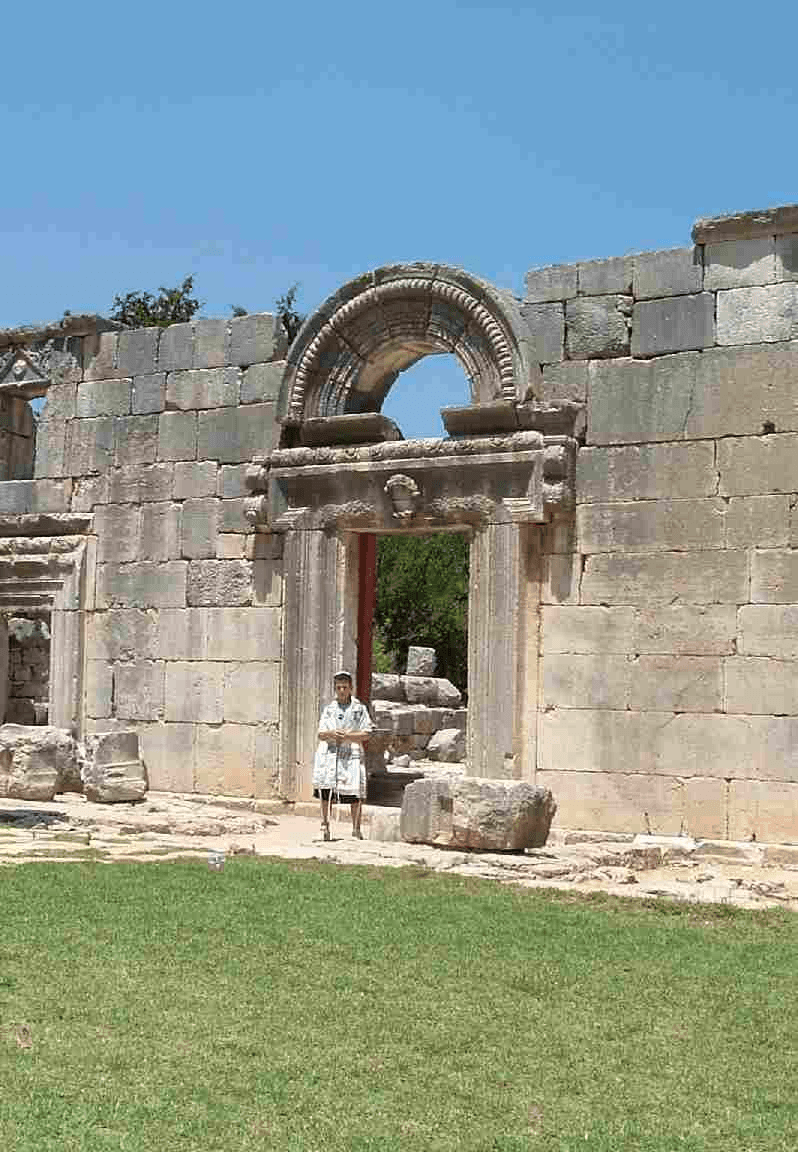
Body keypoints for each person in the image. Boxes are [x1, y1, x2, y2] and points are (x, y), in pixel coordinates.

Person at [313, 670, 373, 841]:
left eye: (344, 687)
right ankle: (324, 826)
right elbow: (321, 733)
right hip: (330, 754)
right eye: (338, 687)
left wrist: (348, 736)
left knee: (355, 794)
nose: (341, 691)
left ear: (351, 688)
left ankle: (356, 829)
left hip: (350, 754)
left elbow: (367, 733)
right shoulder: (329, 710)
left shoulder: (359, 709)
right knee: (326, 791)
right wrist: (332, 733)